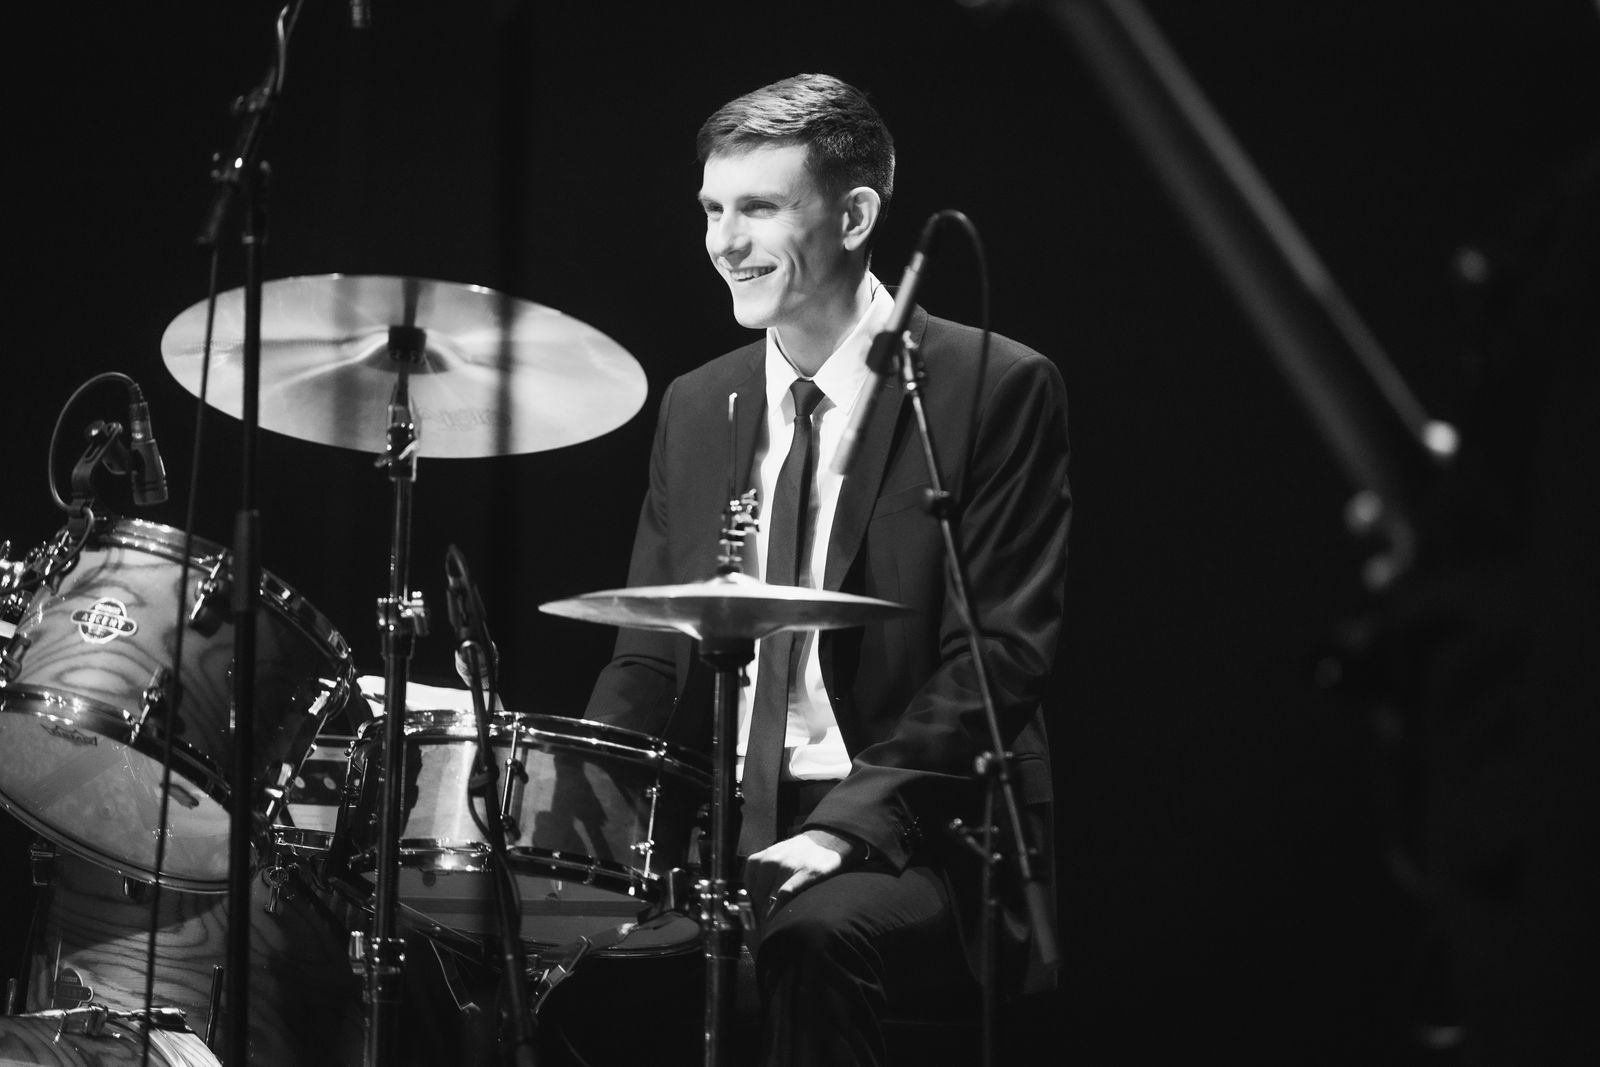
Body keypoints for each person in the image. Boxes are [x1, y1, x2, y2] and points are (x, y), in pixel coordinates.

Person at [583, 72, 1070, 1065]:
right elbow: (647, 654)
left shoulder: (993, 385)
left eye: (759, 208)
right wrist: (577, 805)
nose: (725, 242)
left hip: (919, 829)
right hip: (721, 820)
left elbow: (998, 656)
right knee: (546, 949)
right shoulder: (696, 404)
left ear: (853, 216)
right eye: (713, 209)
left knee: (808, 937)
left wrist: (841, 829)